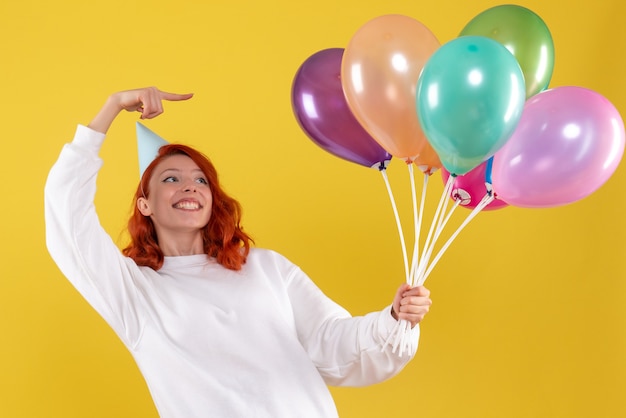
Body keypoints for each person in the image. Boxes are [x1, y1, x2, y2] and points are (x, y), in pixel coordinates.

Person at [44, 87, 432, 418]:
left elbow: (332, 343)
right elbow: (68, 221)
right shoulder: (136, 294)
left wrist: (395, 317)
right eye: (171, 179)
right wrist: (111, 107)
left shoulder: (265, 268)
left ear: (212, 200)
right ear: (145, 205)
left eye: (201, 181)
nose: (190, 187)